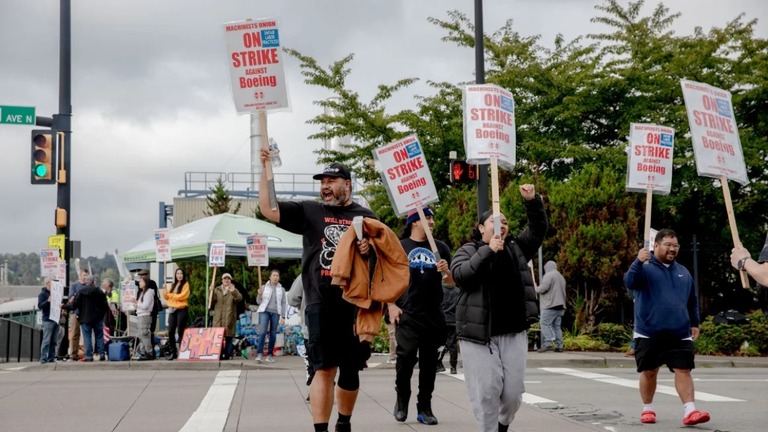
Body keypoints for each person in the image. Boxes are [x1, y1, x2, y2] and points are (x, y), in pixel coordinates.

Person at [259, 153, 376, 432]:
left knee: (350, 369)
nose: (325, 186)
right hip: (319, 303)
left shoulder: (366, 216)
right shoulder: (310, 210)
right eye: (322, 181)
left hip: (355, 303)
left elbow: (384, 260)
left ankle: (344, 423)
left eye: (331, 180)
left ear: (347, 185)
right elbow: (268, 208)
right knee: (323, 368)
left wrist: (368, 250)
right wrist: (265, 169)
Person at [450, 184, 548, 432]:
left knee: (513, 393)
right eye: (495, 221)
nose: (501, 225)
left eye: (504, 221)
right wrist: (487, 251)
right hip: (479, 336)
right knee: (487, 391)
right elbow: (462, 275)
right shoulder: (468, 250)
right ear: (482, 228)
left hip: (513, 331)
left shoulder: (516, 248)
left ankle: (502, 425)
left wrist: (532, 201)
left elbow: (538, 230)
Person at [624, 229, 710, 426]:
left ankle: (690, 410)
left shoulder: (683, 272)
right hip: (649, 332)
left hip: (679, 332)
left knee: (684, 370)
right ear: (656, 246)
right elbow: (629, 282)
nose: (672, 249)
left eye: (675, 245)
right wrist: (638, 261)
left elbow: (691, 299)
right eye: (668, 245)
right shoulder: (644, 268)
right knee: (649, 371)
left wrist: (695, 322)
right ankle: (648, 409)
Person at [387, 207, 453, 425]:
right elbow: (386, 278)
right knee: (405, 360)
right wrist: (391, 304)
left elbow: (452, 282)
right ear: (415, 222)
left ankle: (424, 407)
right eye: (427, 218)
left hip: (433, 314)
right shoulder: (400, 246)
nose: (432, 221)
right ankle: (402, 400)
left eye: (433, 217)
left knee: (429, 364)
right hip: (408, 313)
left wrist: (447, 272)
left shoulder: (440, 248)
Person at [69, 274, 109, 362]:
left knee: (87, 337)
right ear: (93, 282)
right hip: (98, 318)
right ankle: (102, 354)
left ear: (86, 283)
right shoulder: (99, 292)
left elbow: (74, 305)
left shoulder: (81, 292)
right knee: (99, 336)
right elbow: (105, 306)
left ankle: (89, 356)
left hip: (85, 318)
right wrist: (101, 315)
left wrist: (64, 306)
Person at [255, 269, 287, 363]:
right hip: (264, 311)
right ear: (270, 277)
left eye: (277, 275)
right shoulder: (264, 287)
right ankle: (259, 354)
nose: (275, 277)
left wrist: (283, 316)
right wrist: (259, 295)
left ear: (279, 278)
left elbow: (284, 303)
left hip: (276, 312)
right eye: (274, 275)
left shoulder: (281, 289)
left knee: (273, 333)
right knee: (263, 332)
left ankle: (269, 354)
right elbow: (258, 302)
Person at [536, 260, 567, 353]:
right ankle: (559, 346)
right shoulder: (561, 277)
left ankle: (548, 344)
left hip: (550, 305)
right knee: (557, 326)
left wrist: (535, 289)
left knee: (544, 323)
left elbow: (543, 288)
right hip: (560, 305)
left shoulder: (549, 275)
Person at [210, 272, 243, 359]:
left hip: (229, 317)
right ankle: (219, 354)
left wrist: (233, 291)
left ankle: (227, 355)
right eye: (225, 278)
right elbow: (211, 301)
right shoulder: (217, 289)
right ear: (222, 280)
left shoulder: (233, 289)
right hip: (218, 318)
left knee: (228, 337)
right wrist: (211, 291)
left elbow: (239, 298)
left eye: (228, 279)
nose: (226, 280)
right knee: (218, 337)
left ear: (230, 280)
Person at [162, 267, 190, 360]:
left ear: (183, 275)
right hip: (172, 309)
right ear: (175, 275)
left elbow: (183, 296)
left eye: (181, 273)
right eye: (177, 273)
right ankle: (173, 351)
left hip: (181, 309)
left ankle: (183, 351)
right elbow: (166, 297)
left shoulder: (185, 284)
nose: (179, 275)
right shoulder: (172, 285)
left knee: (181, 330)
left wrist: (171, 295)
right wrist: (164, 290)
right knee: (170, 331)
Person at [66, 268, 89, 361]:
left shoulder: (89, 286)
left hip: (85, 313)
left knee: (86, 333)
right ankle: (73, 354)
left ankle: (87, 353)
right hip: (75, 312)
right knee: (74, 333)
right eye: (84, 275)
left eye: (87, 276)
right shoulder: (74, 286)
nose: (85, 277)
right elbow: (70, 298)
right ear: (80, 276)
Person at [437, 281, 459, 375]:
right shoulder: (458, 291)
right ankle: (453, 366)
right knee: (453, 344)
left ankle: (439, 363)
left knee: (440, 343)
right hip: (453, 320)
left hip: (442, 319)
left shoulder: (440, 289)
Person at [38, 278, 59, 364]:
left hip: (55, 318)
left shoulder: (55, 293)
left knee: (54, 340)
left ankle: (51, 357)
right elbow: (40, 305)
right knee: (46, 340)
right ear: (47, 284)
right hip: (47, 319)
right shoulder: (42, 294)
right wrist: (48, 301)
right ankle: (43, 358)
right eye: (52, 285)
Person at [135, 277, 155, 360]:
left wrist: (137, 305)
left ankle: (149, 352)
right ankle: (143, 352)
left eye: (141, 281)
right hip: (140, 315)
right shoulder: (142, 292)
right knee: (141, 335)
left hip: (145, 315)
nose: (139, 283)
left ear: (146, 283)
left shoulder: (149, 293)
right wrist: (136, 303)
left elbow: (146, 306)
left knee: (144, 334)